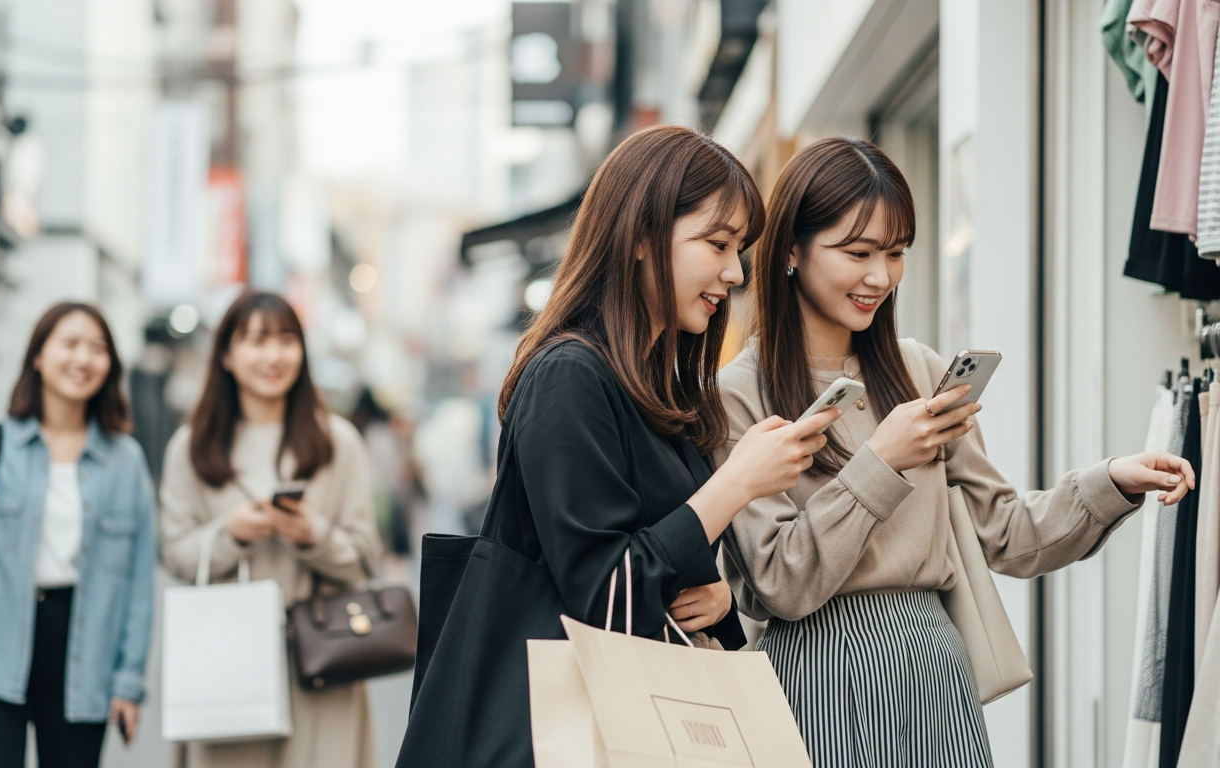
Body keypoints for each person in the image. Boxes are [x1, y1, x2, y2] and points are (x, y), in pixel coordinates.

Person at [715, 136, 1196, 766]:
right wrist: (882, 461)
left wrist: (1112, 482)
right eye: (857, 253)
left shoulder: (917, 370)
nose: (880, 277)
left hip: (933, 667)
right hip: (814, 674)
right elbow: (781, 580)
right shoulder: (737, 394)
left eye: (895, 253)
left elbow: (1008, 533)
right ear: (791, 251)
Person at [397, 125, 841, 767]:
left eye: (739, 249)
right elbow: (606, 596)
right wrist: (735, 483)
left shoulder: (654, 387)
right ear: (639, 235)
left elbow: (652, 569)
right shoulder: (569, 376)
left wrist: (717, 599)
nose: (734, 271)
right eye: (717, 243)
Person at [0, 303, 156, 768]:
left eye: (97, 348)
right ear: (38, 356)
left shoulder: (126, 462)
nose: (83, 359)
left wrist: (128, 681)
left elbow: (138, 583)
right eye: (70, 344)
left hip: (85, 660)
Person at [159, 291, 383, 768]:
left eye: (286, 341)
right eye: (257, 341)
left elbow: (366, 557)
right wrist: (232, 534)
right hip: (227, 661)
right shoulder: (192, 447)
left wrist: (312, 534)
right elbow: (176, 552)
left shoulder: (337, 442)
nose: (273, 356)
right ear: (226, 355)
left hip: (322, 658)